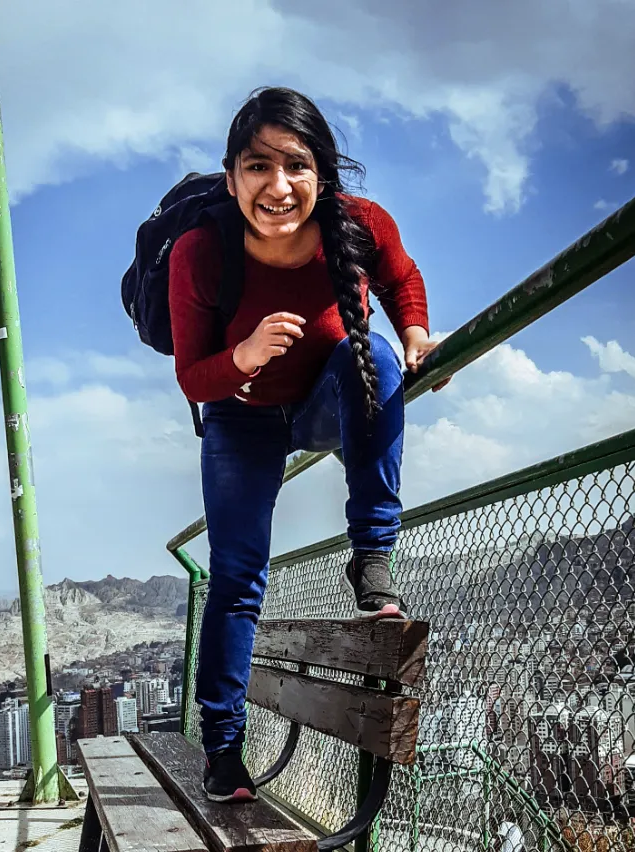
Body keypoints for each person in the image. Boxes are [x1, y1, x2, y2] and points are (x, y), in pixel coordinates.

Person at [168, 86, 447, 803]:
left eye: (295, 165)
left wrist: (415, 330)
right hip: (240, 414)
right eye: (257, 166)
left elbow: (401, 276)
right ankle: (222, 749)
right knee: (234, 579)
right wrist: (244, 355)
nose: (277, 186)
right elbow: (192, 377)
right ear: (231, 177)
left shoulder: (358, 224)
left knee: (379, 355)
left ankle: (372, 558)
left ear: (321, 173)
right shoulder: (202, 252)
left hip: (325, 400)